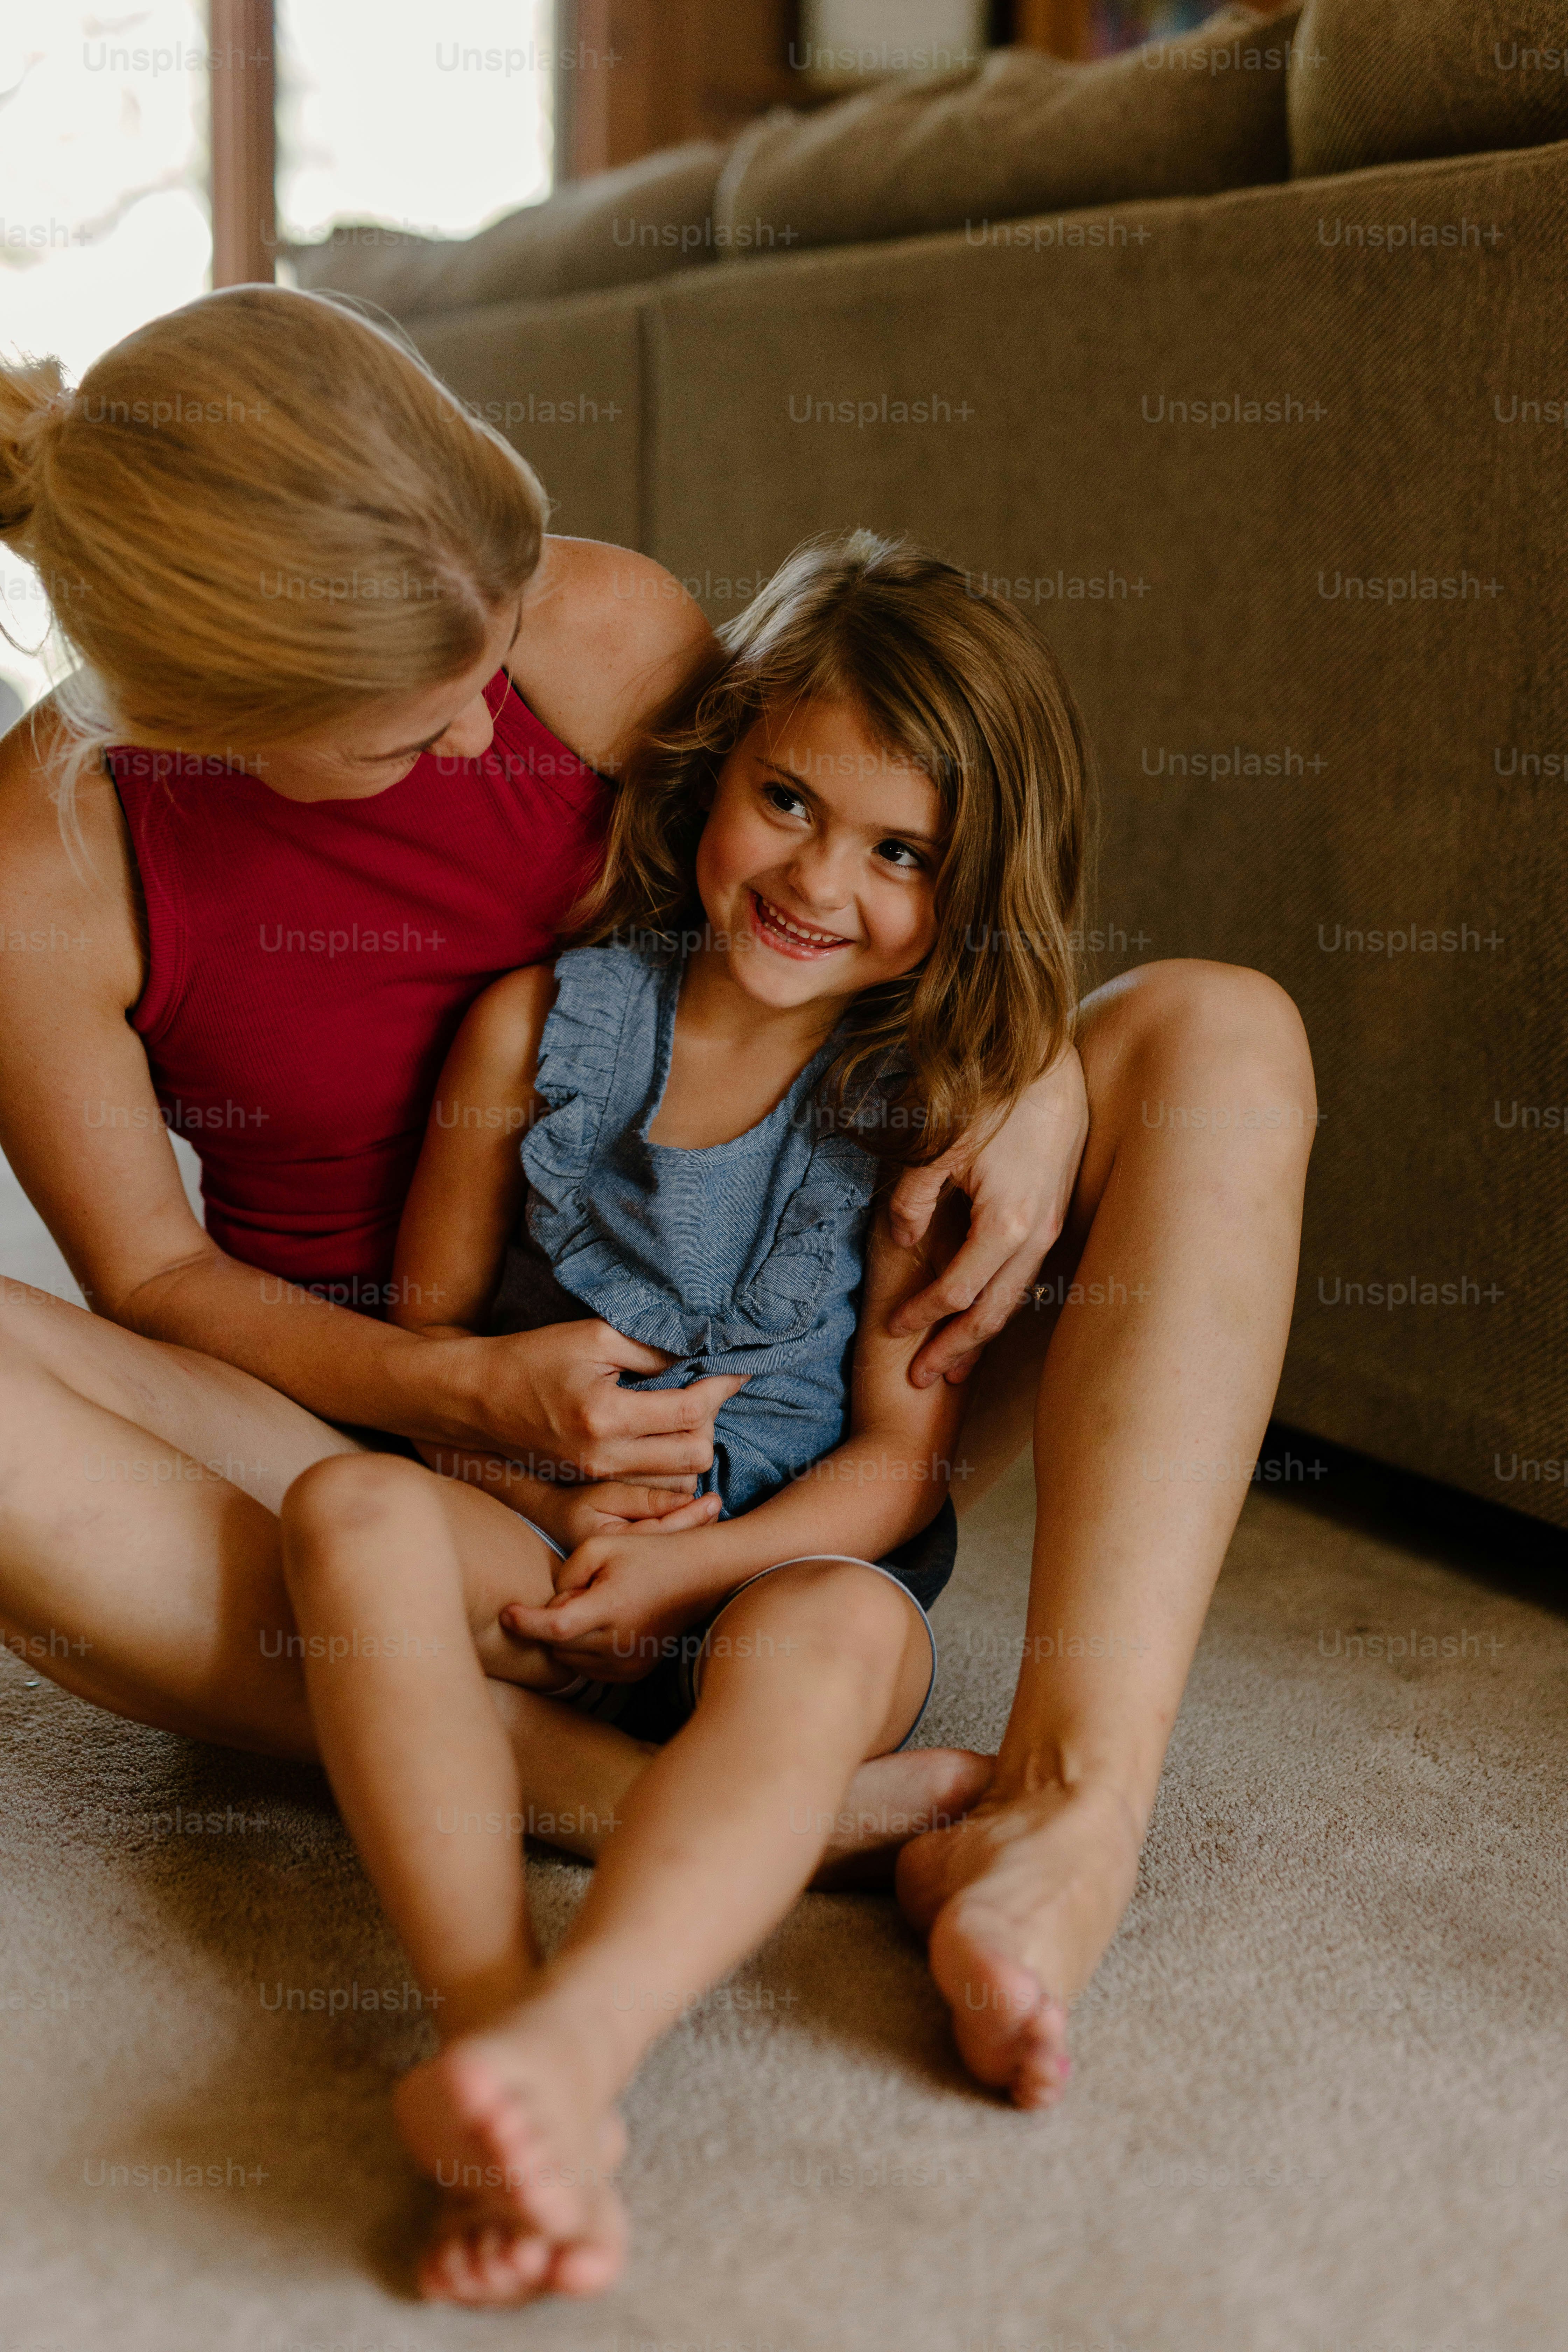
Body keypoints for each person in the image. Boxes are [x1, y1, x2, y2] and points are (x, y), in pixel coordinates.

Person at [0, 288, 1315, 2150]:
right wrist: (473, 1408)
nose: (482, 733)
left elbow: (856, 863)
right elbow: (147, 1282)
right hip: (384, 1437)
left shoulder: (594, 630)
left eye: (495, 651)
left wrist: (1030, 1074)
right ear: (203, 725)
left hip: (793, 1376)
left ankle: (1070, 1813)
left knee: (1225, 1032)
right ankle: (619, 1799)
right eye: (409, 732)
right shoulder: (43, 859)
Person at [280, 528, 1084, 2298]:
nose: (821, 879)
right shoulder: (536, 1031)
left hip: (789, 1565)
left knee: (815, 1648)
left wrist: (693, 1566)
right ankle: (487, 2007)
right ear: (718, 764)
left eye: (901, 854)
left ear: (971, 885)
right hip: (551, 1530)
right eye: (788, 801)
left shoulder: (916, 1104)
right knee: (340, 1520)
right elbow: (434, 1350)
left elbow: (895, 1467)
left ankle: (585, 2045)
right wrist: (551, 1504)